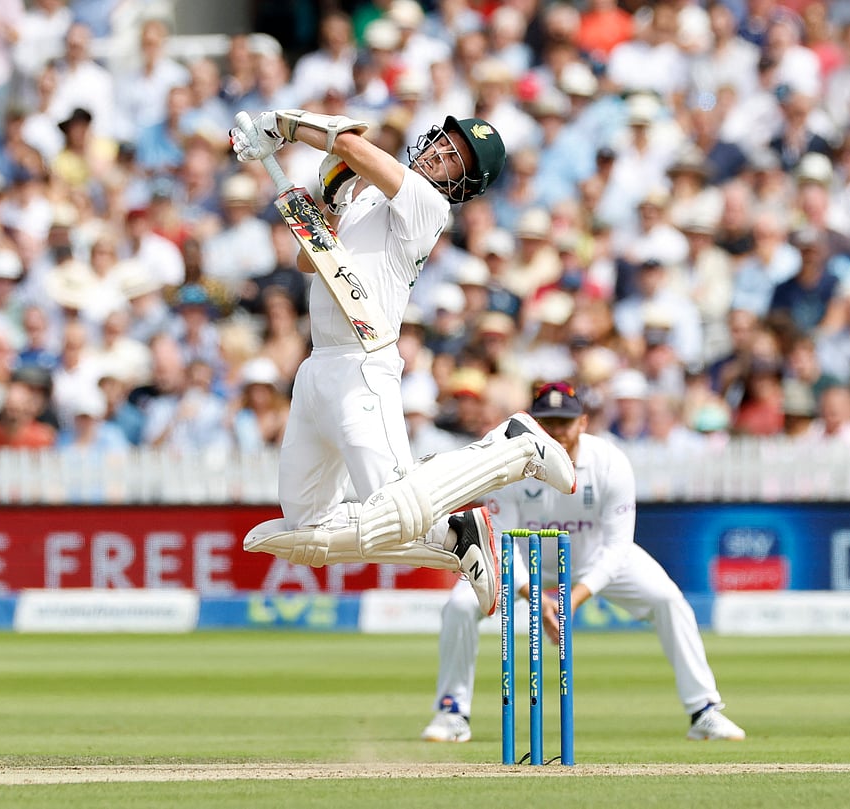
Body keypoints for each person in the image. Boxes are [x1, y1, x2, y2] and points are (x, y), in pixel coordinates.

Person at [231, 108, 576, 616]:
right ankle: (459, 539)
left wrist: (280, 127)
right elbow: (312, 259)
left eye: (456, 159)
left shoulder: (426, 204)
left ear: (464, 184)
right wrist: (325, 202)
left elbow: (347, 143)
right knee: (307, 531)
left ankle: (510, 448)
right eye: (444, 141)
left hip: (362, 368)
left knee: (395, 507)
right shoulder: (368, 194)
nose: (441, 152)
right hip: (316, 368)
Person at [421, 381, 746, 743]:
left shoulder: (610, 462)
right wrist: (534, 595)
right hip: (522, 565)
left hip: (594, 558)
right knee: (460, 605)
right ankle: (452, 713)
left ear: (583, 422)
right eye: (548, 422)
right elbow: (500, 542)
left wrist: (569, 600)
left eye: (565, 421)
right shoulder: (508, 466)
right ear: (534, 424)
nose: (557, 431)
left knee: (668, 600)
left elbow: (617, 547)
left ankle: (704, 711)